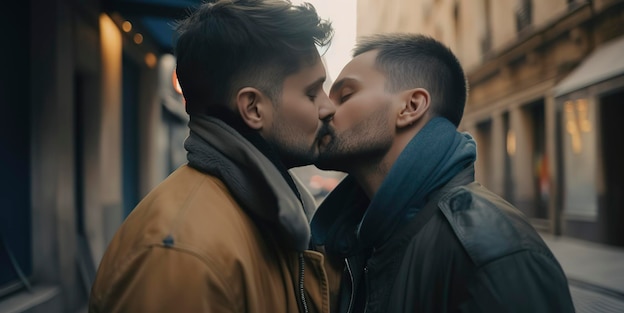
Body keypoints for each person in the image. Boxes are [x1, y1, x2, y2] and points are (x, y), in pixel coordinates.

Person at [88, 1, 339, 312]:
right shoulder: (181, 257)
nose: (329, 108)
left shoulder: (265, 212)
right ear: (253, 108)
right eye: (312, 93)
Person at [311, 33, 575, 313]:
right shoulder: (353, 239)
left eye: (346, 95)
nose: (325, 108)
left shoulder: (492, 251)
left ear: (411, 107)